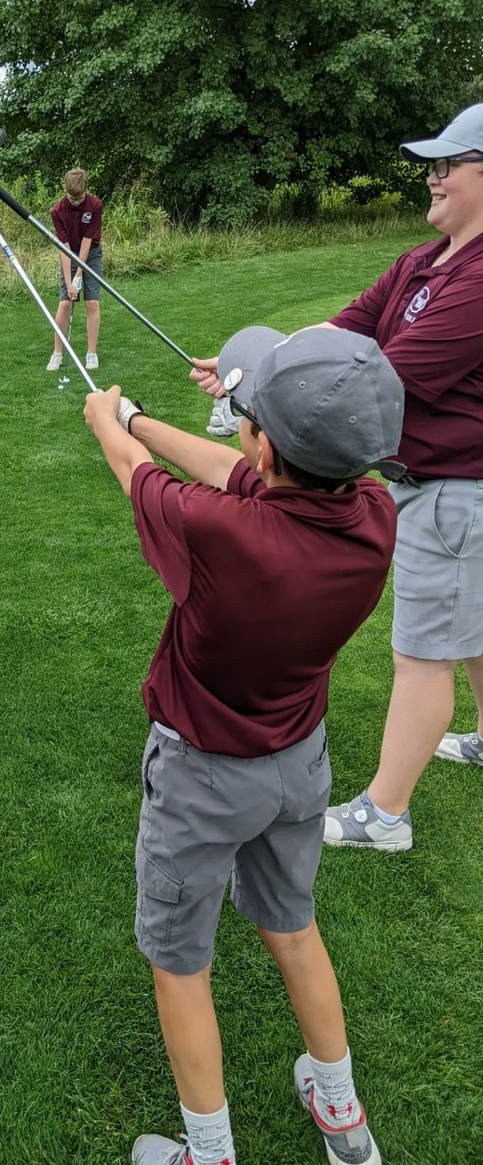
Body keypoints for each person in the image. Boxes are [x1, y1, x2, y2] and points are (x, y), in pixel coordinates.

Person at [84, 324, 404, 1165]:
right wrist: (146, 420)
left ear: (263, 440)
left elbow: (136, 477)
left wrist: (106, 423)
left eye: (249, 416)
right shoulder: (372, 513)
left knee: (179, 961)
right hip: (297, 768)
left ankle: (210, 1151)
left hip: (201, 778)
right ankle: (342, 1116)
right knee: (294, 927)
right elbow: (235, 472)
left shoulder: (221, 534)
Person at [192, 102, 483, 852]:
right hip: (436, 483)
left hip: (456, 489)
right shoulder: (425, 261)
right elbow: (347, 328)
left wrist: (262, 382)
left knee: (421, 653)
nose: (433, 176)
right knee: (471, 625)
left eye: (448, 164)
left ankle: (384, 815)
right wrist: (254, 365)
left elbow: (385, 375)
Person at [46, 168, 103, 373]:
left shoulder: (95, 205)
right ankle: (57, 353)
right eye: (72, 198)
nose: (75, 202)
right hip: (68, 253)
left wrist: (79, 274)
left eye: (79, 198)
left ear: (85, 190)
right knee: (65, 304)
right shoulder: (57, 211)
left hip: (92, 253)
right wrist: (70, 283)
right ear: (65, 189)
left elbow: (88, 241)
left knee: (92, 303)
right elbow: (64, 247)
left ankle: (91, 353)